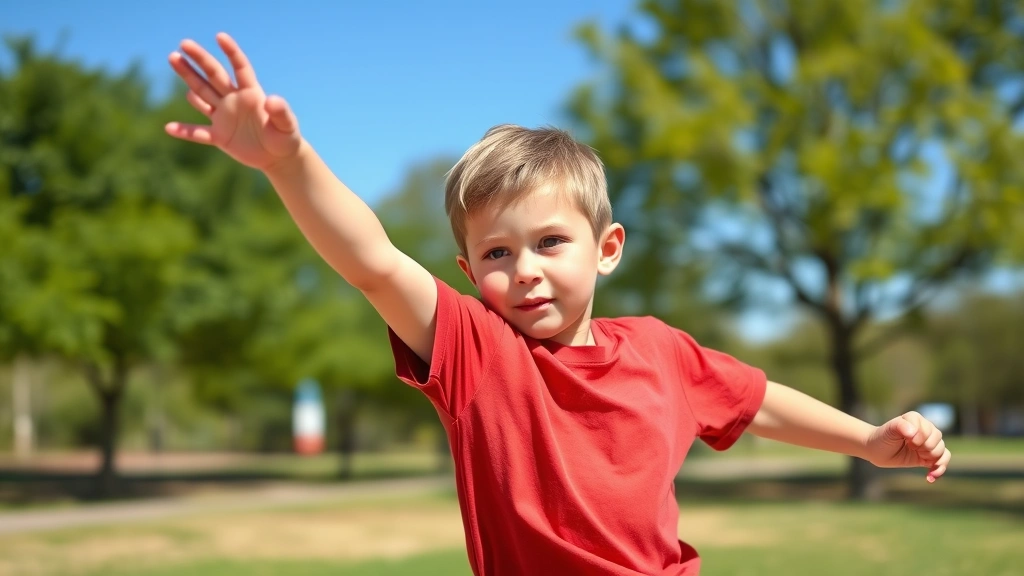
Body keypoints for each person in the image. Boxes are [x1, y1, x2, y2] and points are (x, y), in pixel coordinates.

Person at [165, 33, 952, 576]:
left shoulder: (659, 350)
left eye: (550, 243)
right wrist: (288, 163)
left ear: (606, 248)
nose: (527, 271)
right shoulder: (475, 352)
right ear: (470, 273)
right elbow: (373, 264)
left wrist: (868, 440)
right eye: (498, 255)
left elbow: (755, 402)